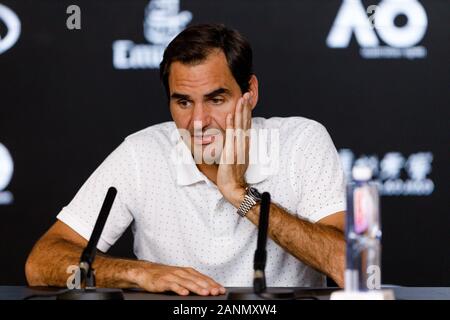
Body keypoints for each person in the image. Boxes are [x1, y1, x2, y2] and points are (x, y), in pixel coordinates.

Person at [25, 24, 346, 296]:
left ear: (251, 92)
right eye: (183, 102)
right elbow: (40, 264)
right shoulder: (142, 153)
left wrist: (239, 193)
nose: (198, 121)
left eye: (216, 99)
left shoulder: (301, 141)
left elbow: (348, 267)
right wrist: (138, 273)